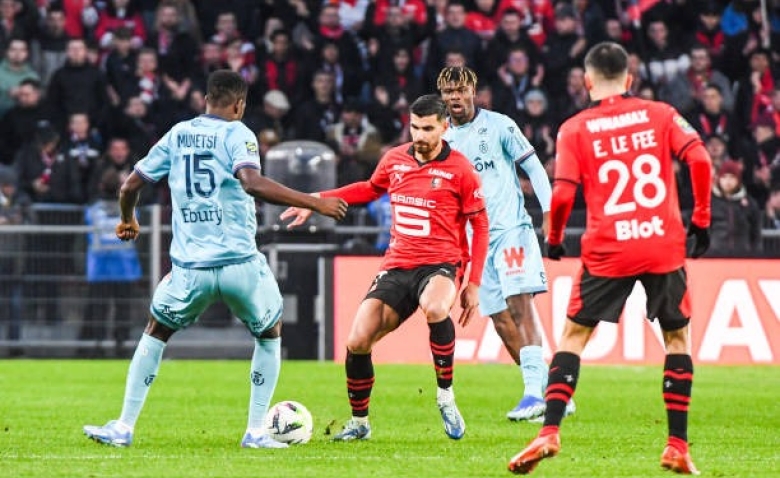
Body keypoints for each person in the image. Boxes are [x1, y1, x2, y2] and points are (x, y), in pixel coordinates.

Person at [82, 70, 347, 449]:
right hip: (240, 263)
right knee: (269, 336)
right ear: (239, 104)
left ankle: (123, 426)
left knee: (155, 333)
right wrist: (314, 202)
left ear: (206, 99)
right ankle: (256, 431)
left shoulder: (177, 134)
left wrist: (128, 219)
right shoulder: (238, 133)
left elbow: (130, 185)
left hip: (190, 270)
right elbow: (252, 182)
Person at [507, 42, 712, 475]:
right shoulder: (660, 114)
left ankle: (549, 432)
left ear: (587, 81)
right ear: (630, 79)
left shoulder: (575, 128)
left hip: (608, 247)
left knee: (573, 339)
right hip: (662, 243)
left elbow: (562, 193)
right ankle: (676, 445)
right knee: (677, 341)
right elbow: (700, 157)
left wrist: (556, 239)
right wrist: (702, 218)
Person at [281, 94, 489, 441]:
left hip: (440, 264)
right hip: (396, 266)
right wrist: (317, 200)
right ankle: (360, 423)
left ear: (444, 127)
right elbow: (369, 188)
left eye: (427, 128)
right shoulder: (394, 160)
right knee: (357, 341)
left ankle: (445, 396)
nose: (419, 135)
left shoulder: (461, 170)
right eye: (414, 127)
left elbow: (481, 226)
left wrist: (474, 282)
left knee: (436, 307)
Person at [437, 65, 571, 422]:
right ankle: (550, 389)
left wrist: (548, 212)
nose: (455, 98)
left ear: (473, 91)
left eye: (460, 91)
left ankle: (531, 396)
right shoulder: (442, 139)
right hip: (475, 241)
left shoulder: (499, 125)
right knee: (499, 318)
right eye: (448, 93)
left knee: (519, 303)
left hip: (511, 229)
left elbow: (535, 168)